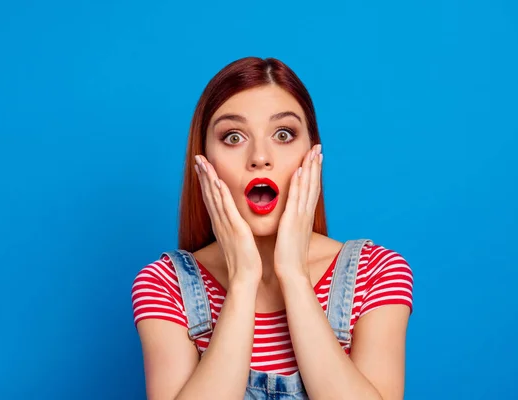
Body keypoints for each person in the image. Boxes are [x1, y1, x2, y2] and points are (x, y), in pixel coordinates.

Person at [131, 57, 414, 400]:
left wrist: (293, 275)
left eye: (284, 134)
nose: (260, 157)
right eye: (233, 136)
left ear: (312, 153)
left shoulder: (377, 272)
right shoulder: (165, 285)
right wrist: (242, 281)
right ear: (203, 161)